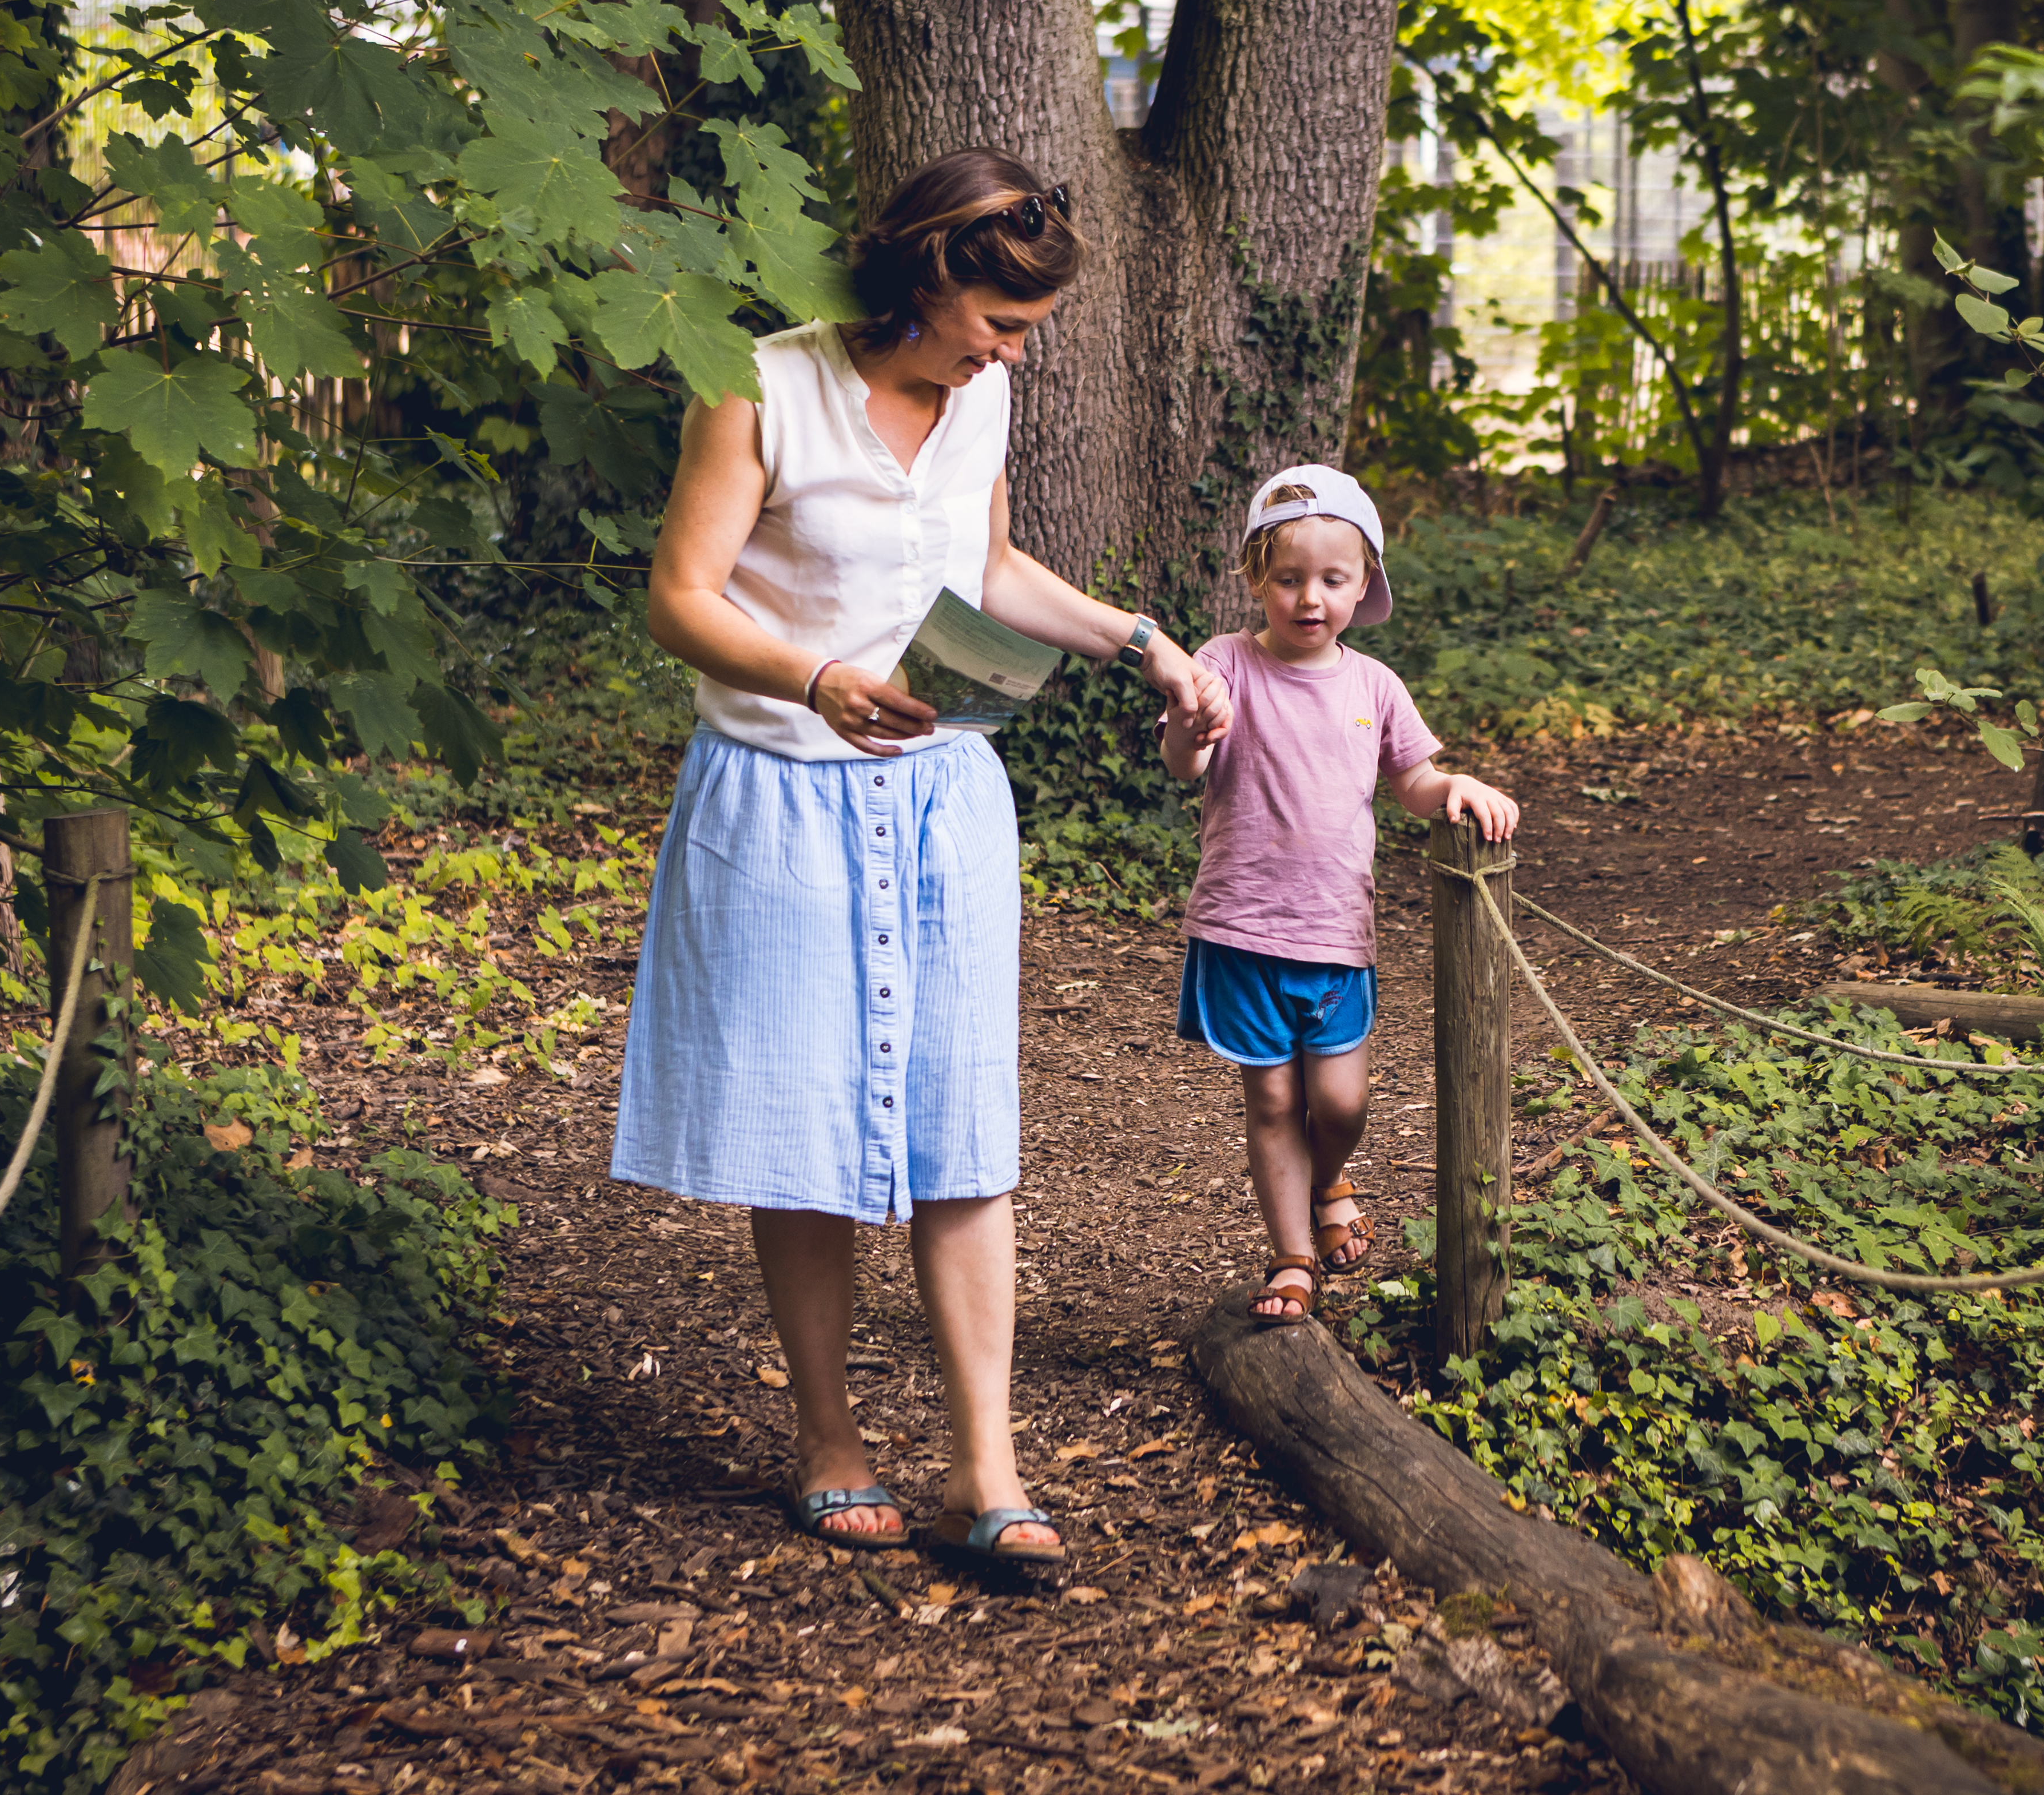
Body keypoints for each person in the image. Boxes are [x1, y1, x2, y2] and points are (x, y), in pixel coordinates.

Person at [617, 150, 1232, 1567]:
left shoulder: (984, 396)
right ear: (930, 276)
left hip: (945, 796)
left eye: (1026, 333)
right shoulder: (760, 383)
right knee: (811, 1130)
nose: (1016, 353)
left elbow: (992, 575)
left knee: (964, 1125)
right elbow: (680, 598)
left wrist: (1141, 641)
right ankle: (828, 1435)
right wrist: (817, 676)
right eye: (1001, 324)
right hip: (780, 793)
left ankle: (986, 1466)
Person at [1158, 466, 1521, 1324]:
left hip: (1335, 934)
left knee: (1341, 1101)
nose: (1309, 598)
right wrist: (1187, 724)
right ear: (1257, 580)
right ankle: (1291, 1255)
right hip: (1242, 928)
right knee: (1275, 1099)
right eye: (1287, 579)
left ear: (1365, 585)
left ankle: (1329, 1178)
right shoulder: (1225, 664)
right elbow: (1187, 762)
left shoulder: (1374, 686)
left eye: (1331, 579)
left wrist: (1457, 786)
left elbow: (1413, 781)